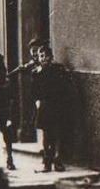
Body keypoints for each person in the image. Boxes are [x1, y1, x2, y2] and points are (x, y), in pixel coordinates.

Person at [31, 43, 72, 172]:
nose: (43, 58)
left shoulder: (57, 69)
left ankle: (58, 160)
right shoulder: (37, 72)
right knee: (46, 134)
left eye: (45, 56)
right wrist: (37, 101)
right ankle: (47, 161)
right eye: (40, 56)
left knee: (58, 132)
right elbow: (34, 90)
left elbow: (64, 86)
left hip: (57, 104)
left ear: (50, 57)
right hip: (45, 105)